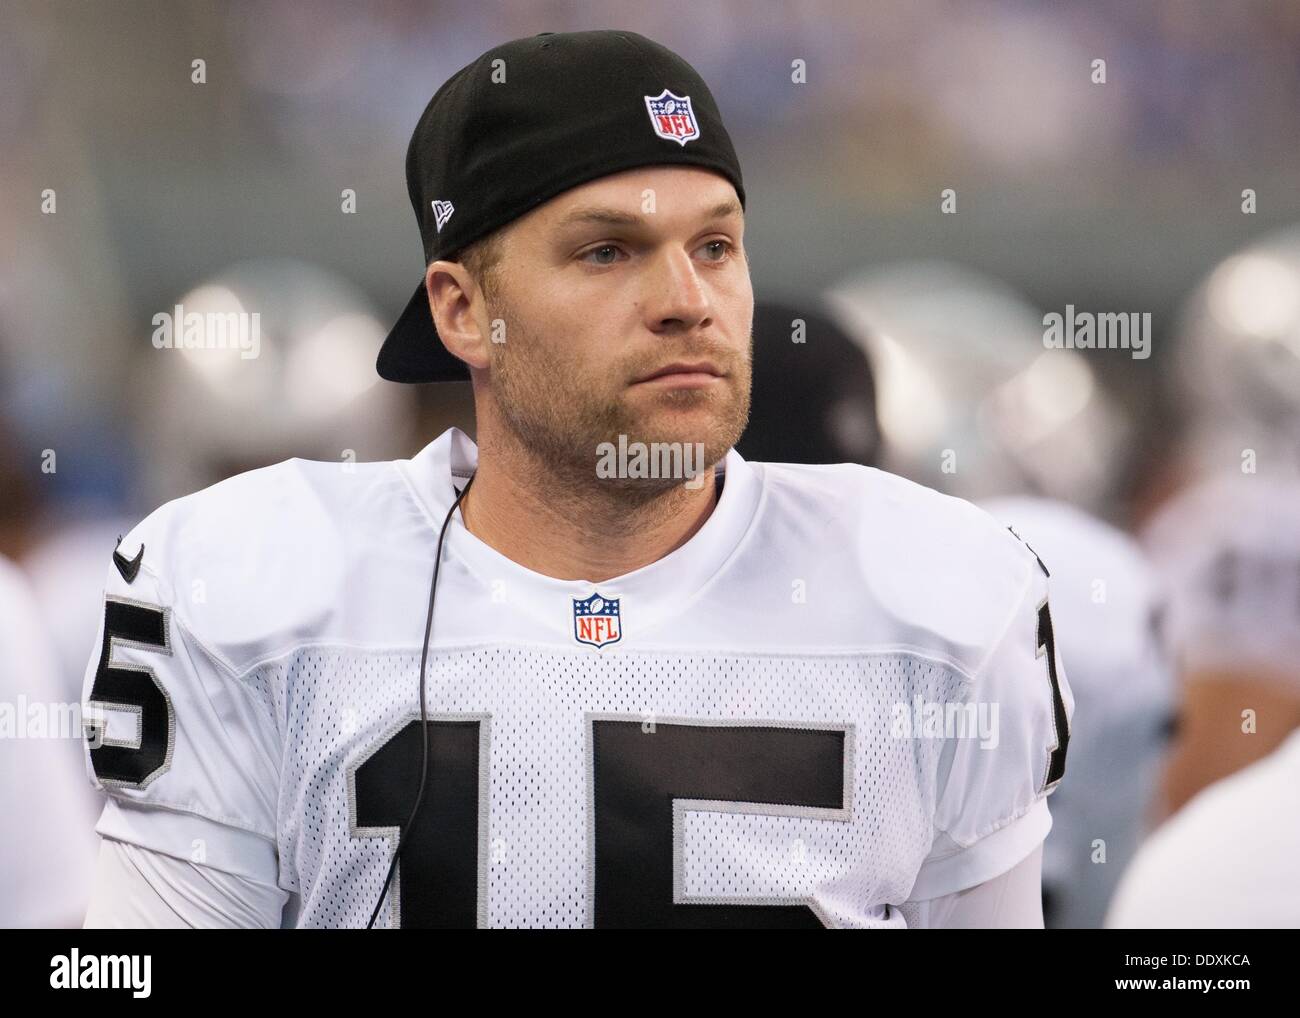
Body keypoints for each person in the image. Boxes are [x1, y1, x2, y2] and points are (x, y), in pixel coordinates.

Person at [81, 29, 1070, 928]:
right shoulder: (249, 582)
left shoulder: (934, 591)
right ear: (464, 312)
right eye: (608, 252)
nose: (689, 302)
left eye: (715, 245)